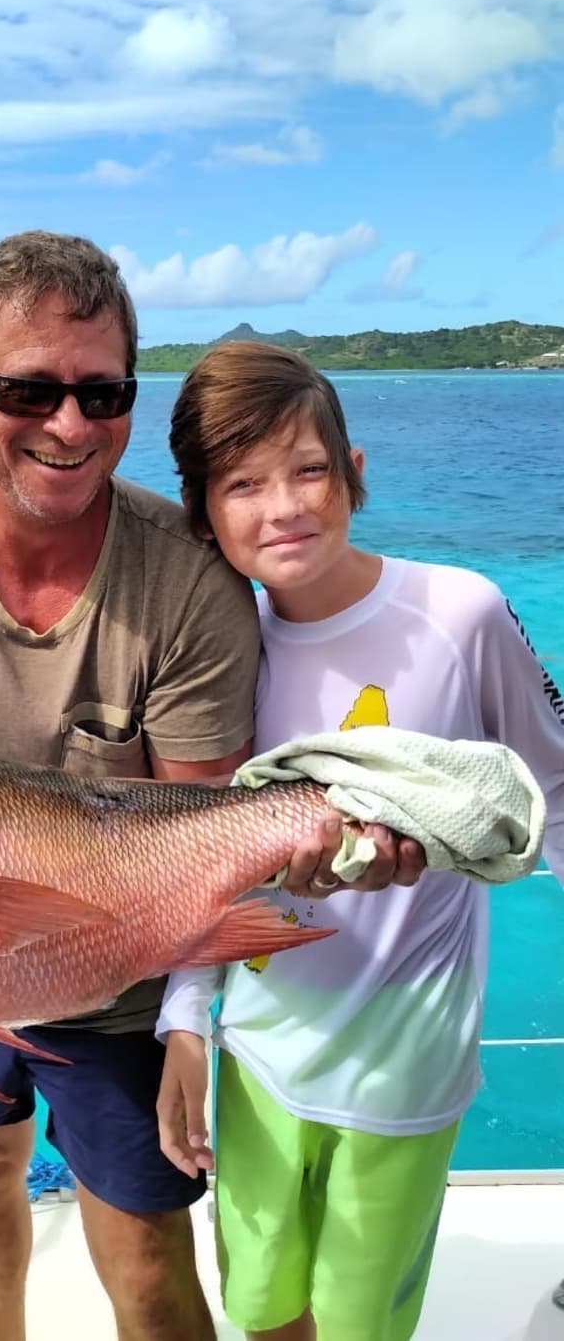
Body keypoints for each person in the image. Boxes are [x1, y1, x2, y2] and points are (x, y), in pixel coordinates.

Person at [0, 234, 417, 1341]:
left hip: (124, 965)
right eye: (29, 389)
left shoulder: (189, 581)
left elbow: (196, 836)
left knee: (146, 1254)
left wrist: (209, 989)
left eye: (101, 393)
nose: (70, 426)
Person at [157, 340, 564, 1341]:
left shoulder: (458, 611)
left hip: (407, 1058)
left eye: (308, 469)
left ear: (355, 474)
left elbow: (553, 785)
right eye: (242, 483)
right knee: (259, 1305)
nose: (283, 506)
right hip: (258, 1049)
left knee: (358, 1322)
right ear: (204, 514)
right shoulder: (223, 652)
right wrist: (181, 1024)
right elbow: (201, 852)